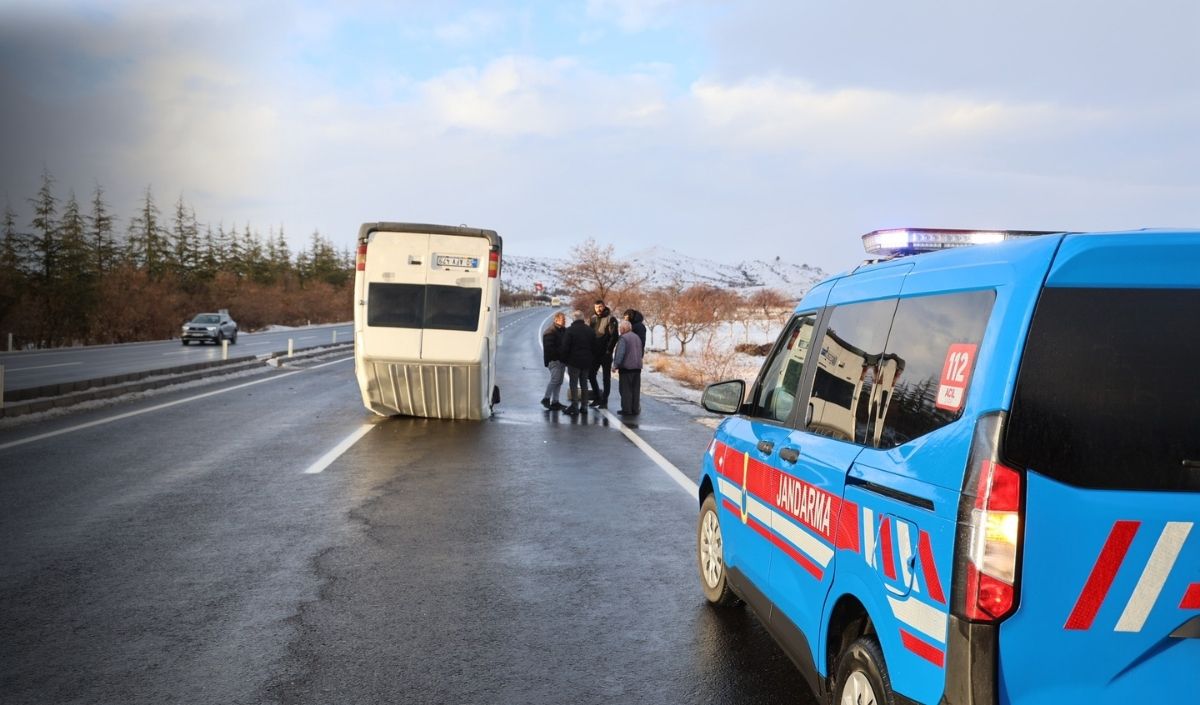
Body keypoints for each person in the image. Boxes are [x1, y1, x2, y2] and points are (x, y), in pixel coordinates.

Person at [560, 310, 595, 416]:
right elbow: (595, 347)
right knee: (584, 383)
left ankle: (575, 405)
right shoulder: (590, 330)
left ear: (574, 318)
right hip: (586, 362)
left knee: (573, 384)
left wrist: (564, 360)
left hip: (573, 362)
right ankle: (584, 406)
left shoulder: (570, 331)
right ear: (583, 318)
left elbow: (565, 347)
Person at [587, 299, 618, 409]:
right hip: (594, 354)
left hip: (606, 354)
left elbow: (614, 337)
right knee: (590, 375)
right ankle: (597, 397)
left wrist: (609, 350)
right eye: (596, 307)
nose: (598, 309)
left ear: (604, 306)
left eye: (600, 307)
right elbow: (590, 335)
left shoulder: (611, 319)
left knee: (606, 378)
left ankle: (604, 400)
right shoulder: (593, 318)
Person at [612, 318, 643, 416]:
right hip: (637, 368)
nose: (619, 330)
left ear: (624, 329)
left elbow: (620, 353)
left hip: (626, 368)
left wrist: (615, 365)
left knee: (626, 390)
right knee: (635, 390)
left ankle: (626, 409)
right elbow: (641, 352)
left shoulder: (623, 338)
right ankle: (635, 409)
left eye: (620, 328)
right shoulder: (637, 337)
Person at [541, 312, 567, 411]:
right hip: (554, 360)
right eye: (562, 319)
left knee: (559, 381)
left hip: (562, 360)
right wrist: (559, 355)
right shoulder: (550, 331)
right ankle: (546, 398)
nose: (564, 321)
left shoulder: (564, 330)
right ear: (556, 320)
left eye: (564, 319)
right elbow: (549, 348)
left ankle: (555, 401)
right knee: (555, 380)